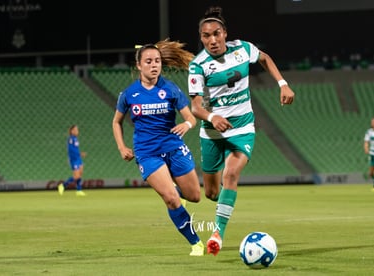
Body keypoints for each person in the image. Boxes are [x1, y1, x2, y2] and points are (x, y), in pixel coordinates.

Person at [188, 6, 296, 256]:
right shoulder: (198, 65)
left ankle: (218, 234)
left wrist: (283, 84)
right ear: (201, 38)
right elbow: (195, 106)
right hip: (212, 132)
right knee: (212, 192)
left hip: (242, 126)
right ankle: (223, 201)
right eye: (206, 36)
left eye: (216, 34)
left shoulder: (243, 49)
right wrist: (212, 116)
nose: (212, 40)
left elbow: (265, 58)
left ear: (225, 33)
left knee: (232, 174)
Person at [112, 40, 204, 256]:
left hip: (173, 146)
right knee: (171, 198)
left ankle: (177, 192)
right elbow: (116, 121)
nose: (154, 65)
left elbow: (191, 117)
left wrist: (187, 124)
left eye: (157, 61)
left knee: (194, 196)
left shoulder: (170, 89)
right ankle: (196, 243)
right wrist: (121, 147)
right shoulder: (129, 94)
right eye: (149, 61)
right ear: (139, 65)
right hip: (147, 152)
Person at [58, 124, 87, 196]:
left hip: (78, 158)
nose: (77, 131)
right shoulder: (71, 139)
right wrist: (74, 157)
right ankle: (63, 185)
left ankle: (79, 190)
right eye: (76, 130)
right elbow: (71, 150)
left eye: (77, 130)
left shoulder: (75, 139)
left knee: (80, 172)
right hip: (74, 159)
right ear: (72, 131)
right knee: (76, 176)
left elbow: (75, 149)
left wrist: (80, 154)